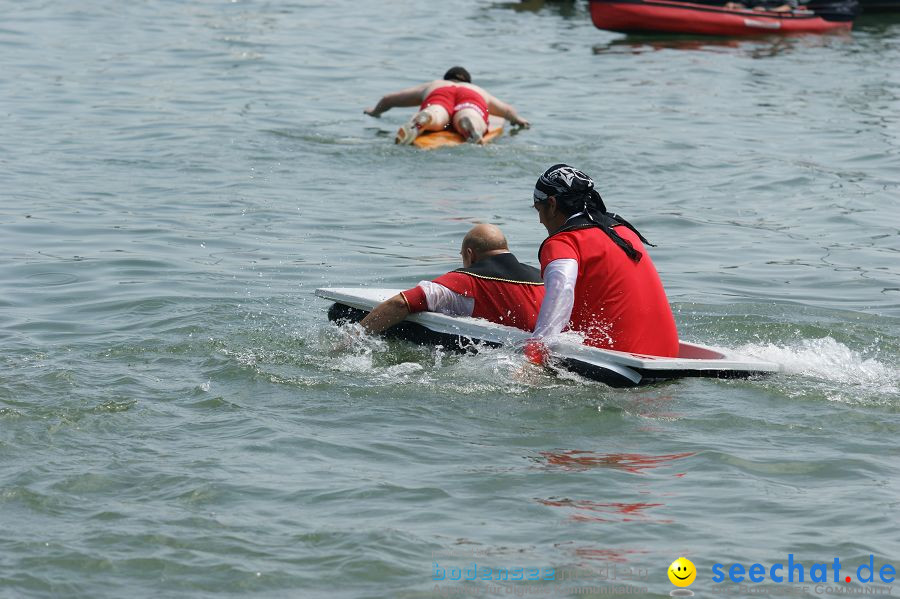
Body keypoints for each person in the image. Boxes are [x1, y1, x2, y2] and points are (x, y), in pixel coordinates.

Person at [526, 164, 679, 362]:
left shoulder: (563, 242)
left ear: (552, 204)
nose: (540, 221)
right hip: (668, 354)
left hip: (620, 361)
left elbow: (561, 289)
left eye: (539, 210)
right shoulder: (623, 231)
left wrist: (536, 350)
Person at [359, 224, 545, 334]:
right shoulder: (543, 278)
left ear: (470, 255)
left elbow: (401, 303)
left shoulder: (465, 281)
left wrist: (352, 337)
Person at [364, 66, 530, 145]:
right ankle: (470, 123)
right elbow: (507, 110)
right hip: (471, 99)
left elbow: (388, 99)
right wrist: (519, 120)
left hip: (439, 96)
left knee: (437, 113)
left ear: (446, 78)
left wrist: (374, 112)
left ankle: (426, 118)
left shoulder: (435, 84)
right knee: (470, 112)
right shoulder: (476, 89)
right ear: (467, 81)